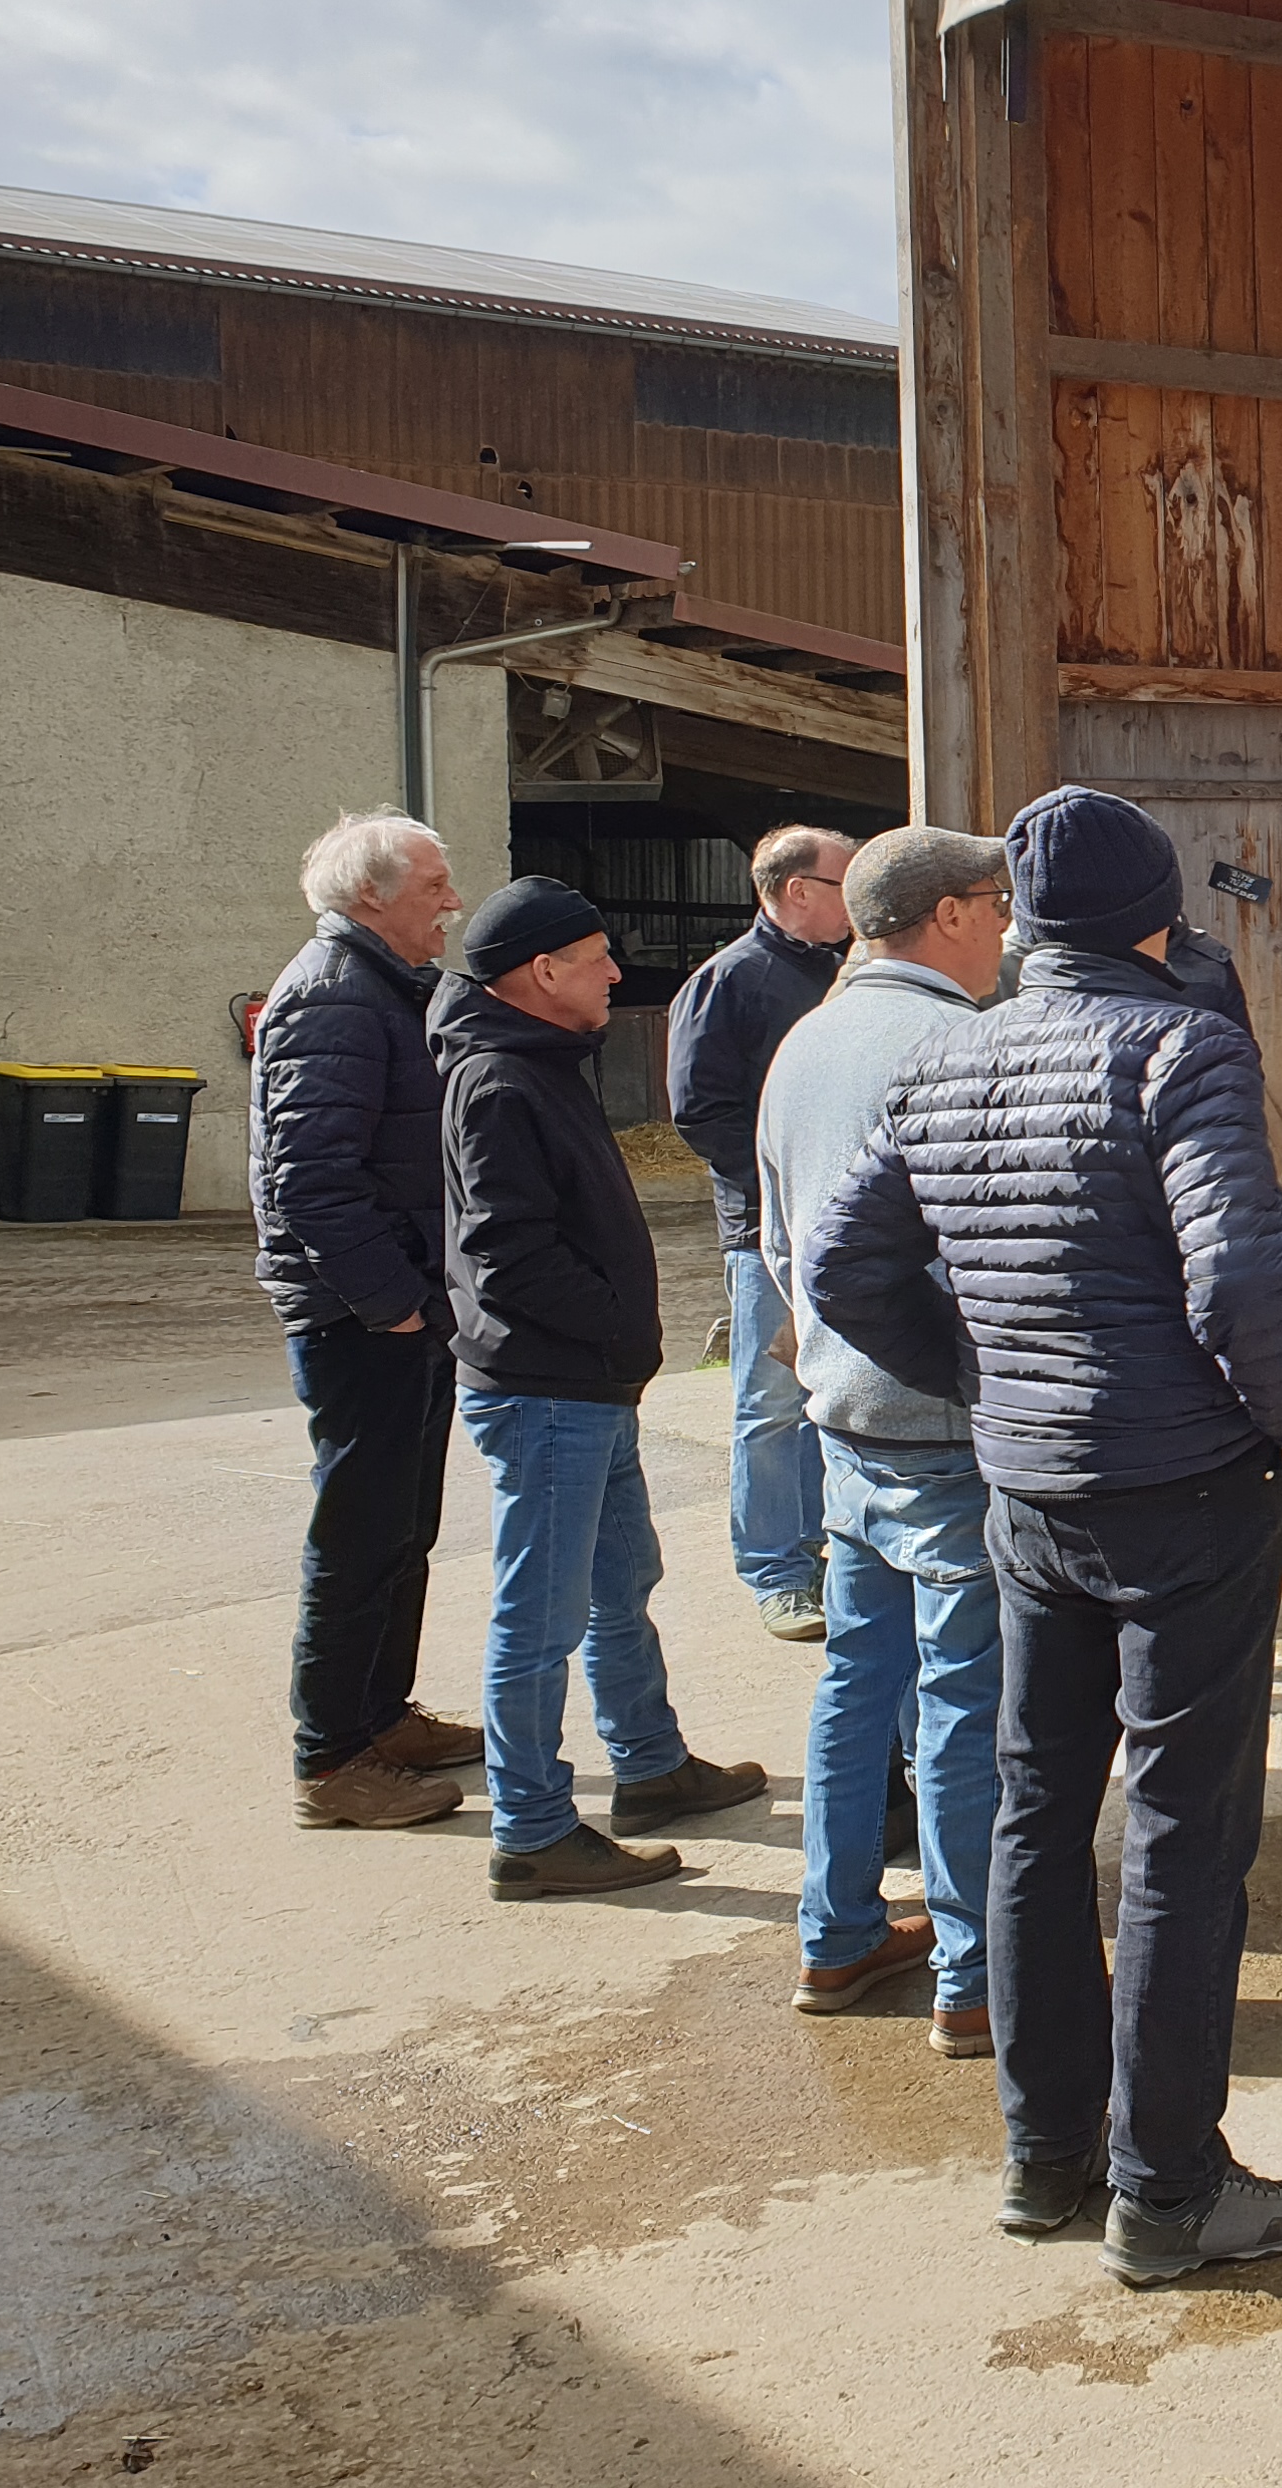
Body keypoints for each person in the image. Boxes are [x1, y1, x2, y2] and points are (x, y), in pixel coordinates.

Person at [805, 785, 1282, 2286]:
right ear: (1158, 920)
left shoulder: (946, 1053)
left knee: (1035, 1807)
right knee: (1184, 1832)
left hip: (1033, 1490)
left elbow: (841, 1268)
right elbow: (1244, 1274)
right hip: (1187, 1490)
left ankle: (1047, 2152)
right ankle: (1167, 2186)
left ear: (1026, 923)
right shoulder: (1180, 1043)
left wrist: (987, 1372)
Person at [438, 878, 768, 1902]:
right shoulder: (499, 1079)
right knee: (538, 1614)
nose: (617, 975)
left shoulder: (538, 1065)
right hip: (548, 1391)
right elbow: (508, 1258)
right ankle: (532, 1827)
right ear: (541, 973)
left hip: (589, 1387)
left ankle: (650, 1765)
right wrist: (614, 1325)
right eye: (597, 958)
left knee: (621, 1581)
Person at [757, 825, 1015, 2054]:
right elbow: (990, 1261)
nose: (1009, 929)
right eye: (997, 907)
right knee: (969, 1696)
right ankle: (977, 1970)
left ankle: (838, 1930)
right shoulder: (956, 1045)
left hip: (843, 1416)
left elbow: (778, 1246)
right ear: (952, 916)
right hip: (944, 1423)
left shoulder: (804, 1044)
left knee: (859, 1679)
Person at [254, 811, 486, 1831]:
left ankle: (379, 1717)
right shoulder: (334, 996)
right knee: (359, 1532)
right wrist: (389, 1302)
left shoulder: (388, 988)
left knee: (404, 1525)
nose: (451, 902)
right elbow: (309, 1179)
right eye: (433, 885)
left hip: (405, 1308)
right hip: (365, 1318)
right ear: (370, 897)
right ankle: (332, 1758)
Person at [667, 823, 856, 1643]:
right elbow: (700, 1111)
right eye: (843, 882)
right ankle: (776, 1568)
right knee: (772, 1404)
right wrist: (786, 1178)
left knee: (836, 1393)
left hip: (847, 1224)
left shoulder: (853, 974)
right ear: (796, 892)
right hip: (769, 1230)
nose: (857, 899)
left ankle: (831, 1550)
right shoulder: (731, 981)